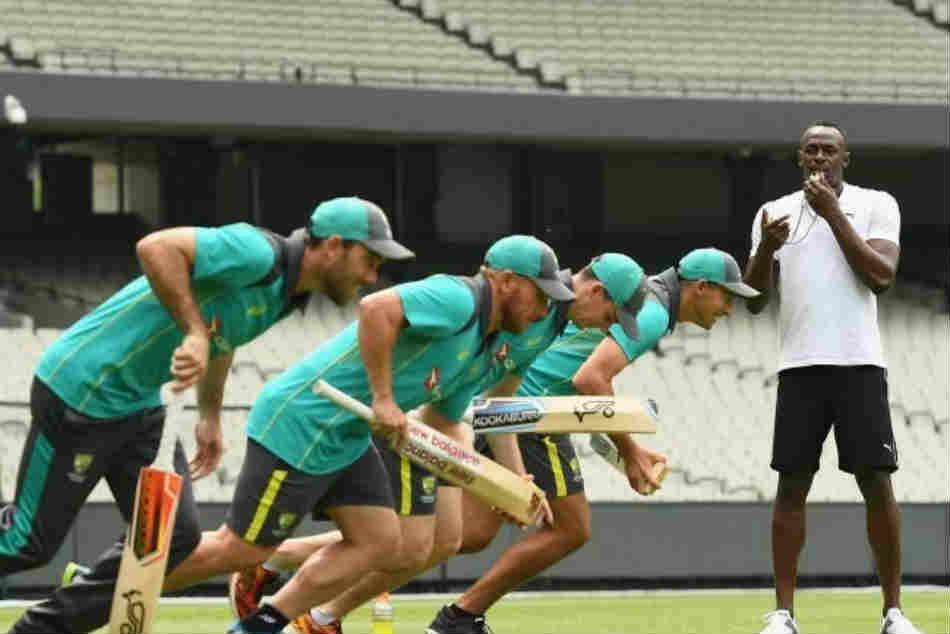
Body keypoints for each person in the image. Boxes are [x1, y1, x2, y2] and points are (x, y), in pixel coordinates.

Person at [236, 248, 754, 634]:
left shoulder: (549, 321)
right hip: (508, 417)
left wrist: (515, 475)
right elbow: (585, 381)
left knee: (455, 538)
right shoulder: (599, 314)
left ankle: (295, 582)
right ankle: (352, 614)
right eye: (728, 296)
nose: (730, 309)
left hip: (485, 417)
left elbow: (504, 394)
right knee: (532, 532)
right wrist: (627, 450)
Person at [2, 195, 413, 634]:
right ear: (333, 246)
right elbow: (156, 247)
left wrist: (210, 415)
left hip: (139, 406)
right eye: (369, 260)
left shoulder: (286, 295)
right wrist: (194, 331)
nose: (372, 276)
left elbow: (224, 337)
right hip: (83, 391)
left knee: (173, 540)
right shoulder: (259, 253)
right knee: (27, 543)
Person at [155, 235, 574, 634]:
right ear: (506, 282)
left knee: (382, 543)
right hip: (304, 420)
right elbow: (376, 307)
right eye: (540, 296)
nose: (544, 311)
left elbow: (444, 422)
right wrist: (384, 399)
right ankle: (122, 581)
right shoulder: (459, 297)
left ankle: (259, 626)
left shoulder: (483, 350)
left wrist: (501, 486)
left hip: (349, 436)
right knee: (241, 549)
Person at [745, 122, 920, 634]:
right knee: (791, 485)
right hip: (799, 365)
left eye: (829, 150)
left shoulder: (877, 204)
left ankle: (893, 612)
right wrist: (764, 250)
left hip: (859, 362)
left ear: (846, 159)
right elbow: (753, 302)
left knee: (877, 482)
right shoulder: (773, 212)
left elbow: (880, 276)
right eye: (811, 150)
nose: (819, 157)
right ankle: (783, 614)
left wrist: (832, 214)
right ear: (800, 158)